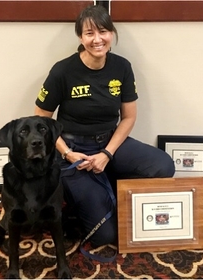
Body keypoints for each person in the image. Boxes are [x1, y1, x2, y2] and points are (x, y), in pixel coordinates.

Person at [34, 4, 175, 247]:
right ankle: (81, 196)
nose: (97, 39)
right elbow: (41, 119)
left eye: (103, 31)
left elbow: (129, 118)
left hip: (110, 143)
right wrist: (67, 154)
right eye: (89, 33)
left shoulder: (122, 67)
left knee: (163, 166)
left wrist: (107, 153)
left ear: (112, 33)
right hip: (73, 151)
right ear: (80, 37)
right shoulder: (63, 71)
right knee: (105, 236)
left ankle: (105, 180)